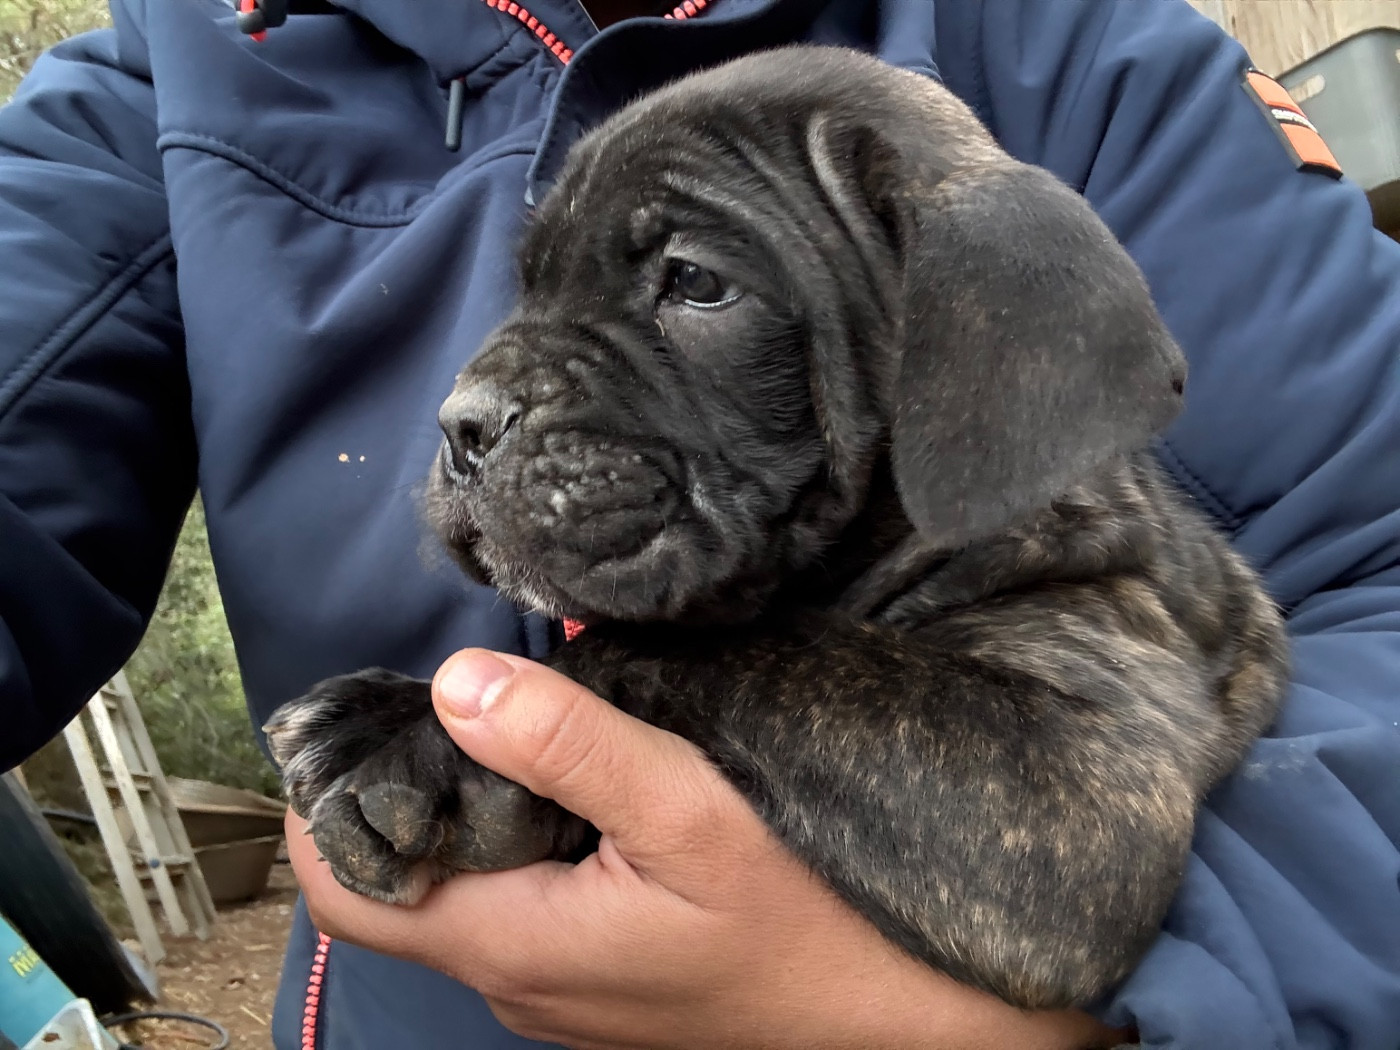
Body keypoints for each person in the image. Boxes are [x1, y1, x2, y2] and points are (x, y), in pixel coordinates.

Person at [2, 0, 1397, 1046]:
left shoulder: (1056, 50)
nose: (475, 399)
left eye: (690, 283)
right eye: (536, 302)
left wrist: (1157, 990)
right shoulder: (175, 66)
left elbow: (1070, 844)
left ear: (986, 358)